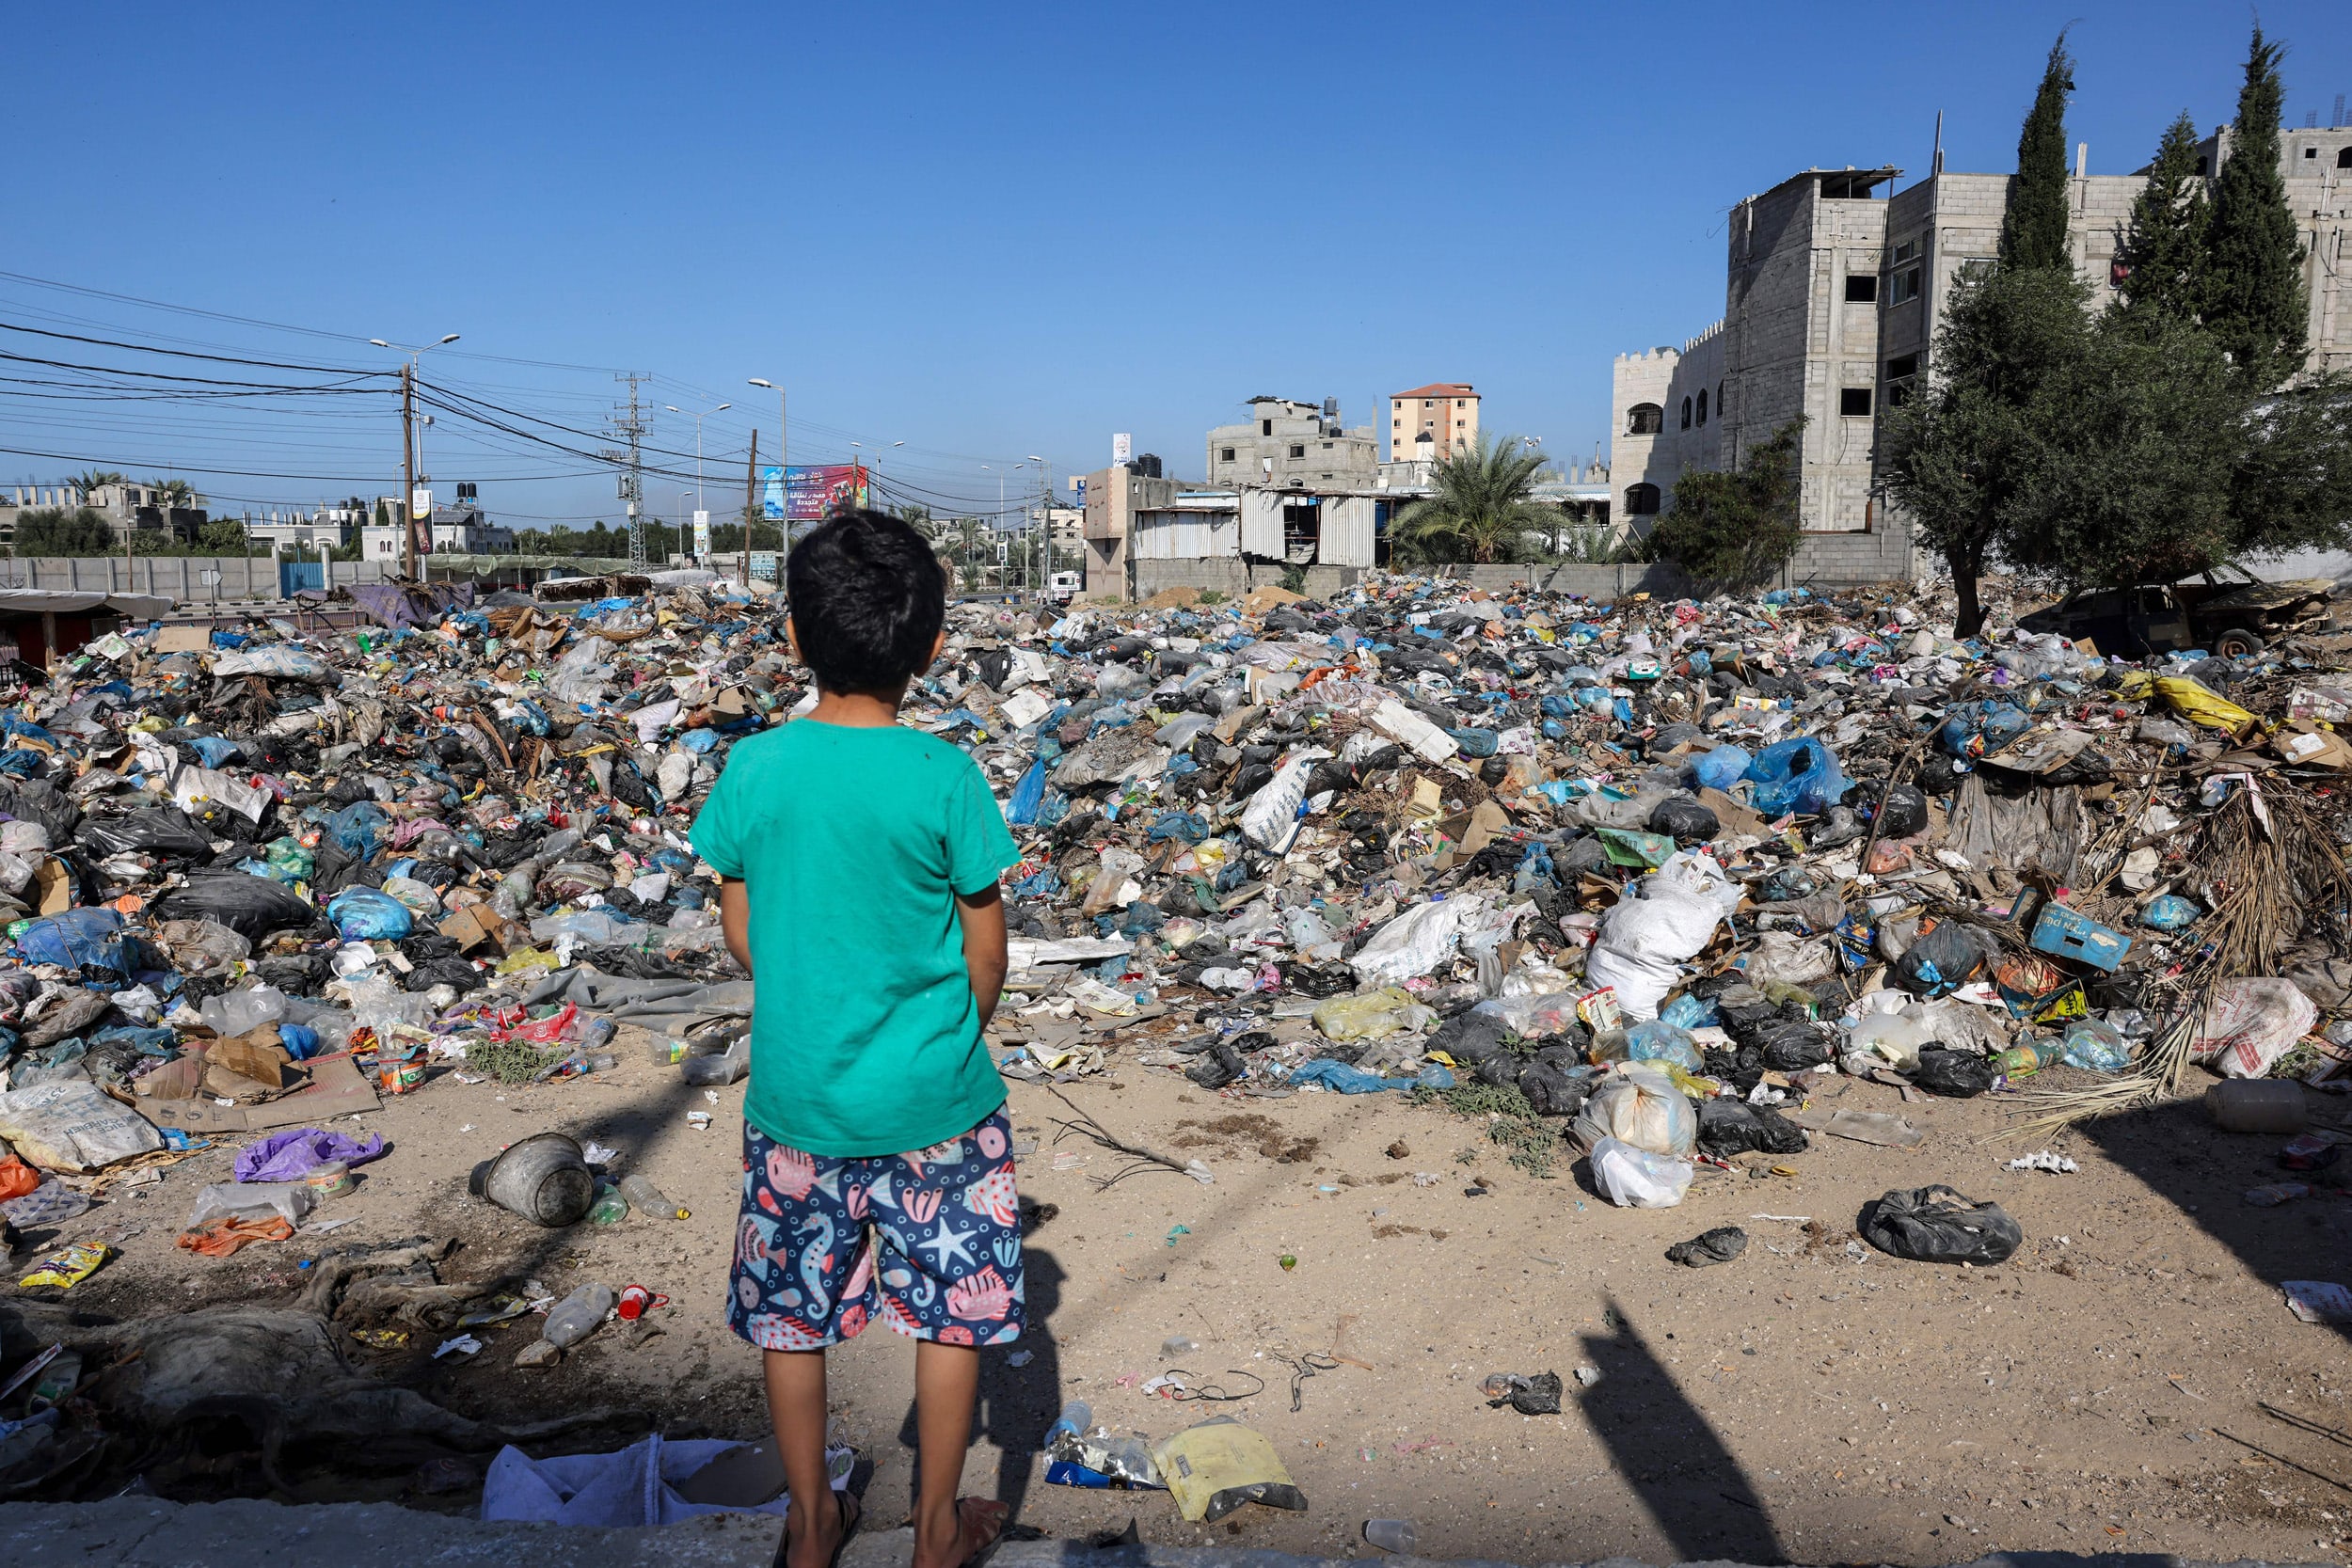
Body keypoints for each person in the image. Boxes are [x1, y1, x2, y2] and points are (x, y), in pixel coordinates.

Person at [692, 511, 1023, 1568]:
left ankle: (810, 1523)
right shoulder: (944, 777)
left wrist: (808, 989)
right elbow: (986, 951)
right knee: (951, 1318)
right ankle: (934, 1532)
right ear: (929, 647)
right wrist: (946, 1035)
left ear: (793, 635)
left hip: (798, 1104)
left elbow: (744, 930)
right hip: (940, 1106)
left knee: (794, 1322)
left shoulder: (753, 769)